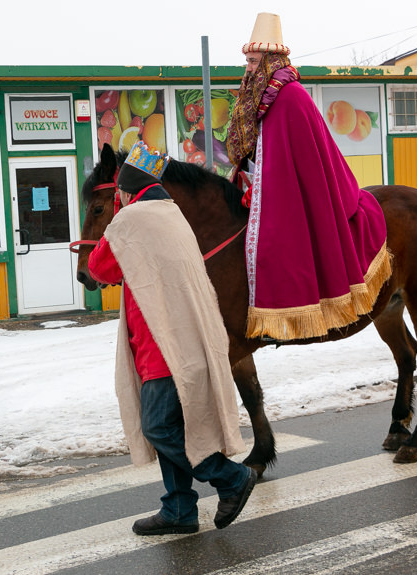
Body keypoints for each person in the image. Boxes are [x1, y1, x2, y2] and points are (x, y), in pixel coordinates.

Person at [87, 141, 256, 536]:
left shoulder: (131, 220)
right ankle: (178, 508)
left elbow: (99, 269)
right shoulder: (172, 214)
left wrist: (116, 219)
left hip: (159, 348)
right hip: (186, 342)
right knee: (175, 426)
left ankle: (229, 477)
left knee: (159, 428)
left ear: (125, 192)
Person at [226, 13, 392, 342]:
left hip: (293, 194)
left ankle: (292, 311)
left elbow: (304, 160)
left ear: (271, 61)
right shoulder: (261, 98)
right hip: (265, 186)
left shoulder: (291, 96)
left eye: (253, 60)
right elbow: (263, 148)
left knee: (275, 243)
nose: (247, 67)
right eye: (246, 60)